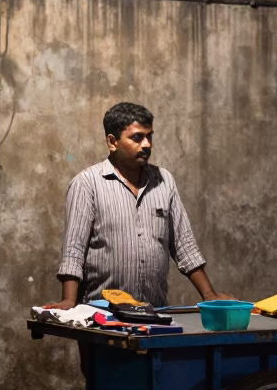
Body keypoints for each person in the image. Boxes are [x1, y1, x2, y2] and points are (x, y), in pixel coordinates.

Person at [47, 101, 232, 310]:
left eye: (149, 136)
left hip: (155, 313)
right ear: (112, 141)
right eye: (137, 137)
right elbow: (74, 248)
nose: (147, 144)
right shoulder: (87, 184)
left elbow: (184, 245)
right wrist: (69, 301)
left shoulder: (164, 180)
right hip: (102, 316)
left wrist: (210, 294)